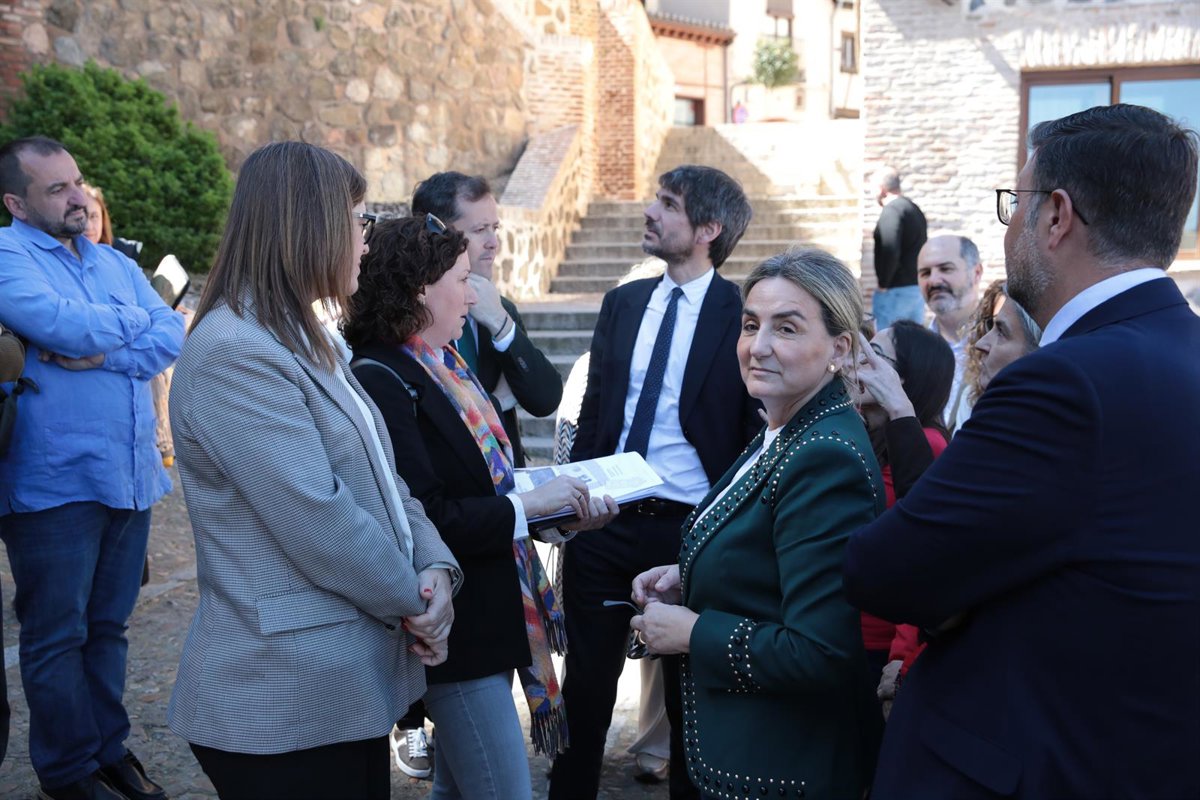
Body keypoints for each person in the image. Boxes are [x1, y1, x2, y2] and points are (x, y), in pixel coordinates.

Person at [844, 104, 1200, 799]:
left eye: (1015, 204)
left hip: (1025, 760)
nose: (1009, 228)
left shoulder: (1064, 380)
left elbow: (885, 570)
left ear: (1056, 216)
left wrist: (964, 592)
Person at [167, 141, 460, 800]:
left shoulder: (300, 335)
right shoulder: (234, 351)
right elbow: (319, 517)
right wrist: (416, 603)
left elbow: (384, 477)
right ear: (309, 227)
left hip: (336, 686)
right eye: (358, 220)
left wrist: (435, 564)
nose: (366, 238)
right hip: (282, 697)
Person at [342, 215, 614, 796]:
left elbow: (489, 484)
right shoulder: (382, 376)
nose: (472, 296)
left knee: (459, 789)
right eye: (462, 280)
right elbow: (426, 517)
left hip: (488, 614)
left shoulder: (443, 364)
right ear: (419, 289)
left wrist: (554, 511)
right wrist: (530, 506)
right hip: (458, 628)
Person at [629, 248, 885, 799]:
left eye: (786, 328)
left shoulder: (824, 454)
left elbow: (818, 651)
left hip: (779, 765)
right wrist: (689, 575)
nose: (758, 346)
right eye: (751, 325)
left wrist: (692, 632)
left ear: (840, 348)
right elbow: (769, 561)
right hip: (738, 748)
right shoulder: (785, 429)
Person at [548, 165, 760, 800]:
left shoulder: (740, 313)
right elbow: (595, 412)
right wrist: (577, 499)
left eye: (668, 205)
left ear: (708, 230)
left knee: (687, 700)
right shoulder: (624, 303)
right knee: (585, 690)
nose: (650, 211)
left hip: (687, 533)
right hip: (605, 524)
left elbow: (748, 429)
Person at [0, 136, 183, 800]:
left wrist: (104, 353)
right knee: (56, 636)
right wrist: (128, 325)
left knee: (109, 630)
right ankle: (68, 770)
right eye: (56, 189)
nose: (77, 198)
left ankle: (109, 751)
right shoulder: (7, 255)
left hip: (129, 475)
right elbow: (58, 326)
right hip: (53, 483)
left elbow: (170, 332)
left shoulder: (111, 262)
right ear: (16, 203)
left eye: (77, 182)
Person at [410, 171, 562, 469]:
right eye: (480, 230)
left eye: (495, 228)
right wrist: (496, 403)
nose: (494, 242)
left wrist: (502, 325)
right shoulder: (411, 311)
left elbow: (545, 399)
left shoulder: (499, 308)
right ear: (437, 233)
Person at [850, 321, 955, 714]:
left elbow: (926, 557)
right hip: (852, 634)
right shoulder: (875, 436)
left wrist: (901, 656)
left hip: (881, 648)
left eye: (874, 355)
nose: (859, 363)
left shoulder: (926, 443)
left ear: (905, 378)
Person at [916, 234, 982, 422]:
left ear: (976, 273)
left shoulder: (1003, 344)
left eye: (946, 269)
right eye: (925, 273)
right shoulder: (911, 347)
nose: (934, 281)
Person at [871, 166, 927, 330]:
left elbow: (890, 249)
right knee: (913, 341)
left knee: (886, 341)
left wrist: (883, 283)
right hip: (915, 290)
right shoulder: (914, 209)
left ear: (881, 188)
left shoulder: (892, 210)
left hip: (895, 291)